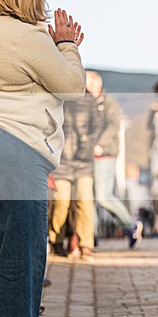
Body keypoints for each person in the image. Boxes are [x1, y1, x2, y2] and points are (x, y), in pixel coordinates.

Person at [0, 0, 85, 317]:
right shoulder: (25, 37)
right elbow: (71, 85)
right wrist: (66, 44)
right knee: (22, 251)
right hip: (16, 149)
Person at [49, 75, 105, 262]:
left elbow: (98, 126)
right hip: (62, 161)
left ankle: (86, 245)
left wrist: (88, 144)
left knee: (84, 201)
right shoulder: (58, 97)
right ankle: (56, 241)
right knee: (61, 202)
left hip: (84, 161)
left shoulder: (90, 101)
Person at [86, 71, 144, 248]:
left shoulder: (109, 103)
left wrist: (100, 145)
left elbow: (113, 126)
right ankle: (91, 236)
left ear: (97, 84)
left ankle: (131, 226)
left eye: (88, 84)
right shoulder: (86, 103)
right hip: (87, 158)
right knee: (89, 199)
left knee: (103, 197)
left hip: (105, 156)